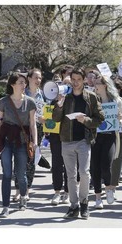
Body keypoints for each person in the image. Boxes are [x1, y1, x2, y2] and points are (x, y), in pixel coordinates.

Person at [52, 68, 104, 219]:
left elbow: (100, 119)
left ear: (84, 81)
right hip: (66, 141)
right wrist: (59, 105)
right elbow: (55, 119)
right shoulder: (65, 97)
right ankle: (73, 205)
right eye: (73, 80)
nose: (75, 83)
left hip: (83, 140)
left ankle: (84, 203)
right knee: (70, 175)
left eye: (78, 80)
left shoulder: (91, 97)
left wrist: (86, 120)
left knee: (84, 173)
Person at [0, 72, 37, 218]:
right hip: (6, 141)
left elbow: (33, 124)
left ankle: (23, 196)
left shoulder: (30, 102)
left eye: (24, 83)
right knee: (7, 174)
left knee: (20, 175)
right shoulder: (3, 102)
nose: (24, 85)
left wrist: (34, 141)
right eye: (21, 82)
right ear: (12, 84)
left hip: (22, 141)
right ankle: (5, 206)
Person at [12, 68, 45, 201]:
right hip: (21, 127)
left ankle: (27, 189)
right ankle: (18, 189)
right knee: (19, 158)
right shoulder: (21, 92)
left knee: (31, 158)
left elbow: (45, 112)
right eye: (36, 77)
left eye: (40, 78)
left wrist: (44, 119)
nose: (38, 80)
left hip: (37, 128)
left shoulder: (43, 95)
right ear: (29, 79)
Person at [91, 74, 122, 209]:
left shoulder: (116, 101)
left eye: (97, 83)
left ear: (105, 85)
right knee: (95, 167)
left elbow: (121, 118)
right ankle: (98, 197)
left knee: (106, 164)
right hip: (95, 136)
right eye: (94, 83)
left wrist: (119, 119)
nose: (95, 85)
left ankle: (109, 188)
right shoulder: (92, 99)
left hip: (110, 135)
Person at [49, 73, 70, 205]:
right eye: (64, 84)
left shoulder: (75, 100)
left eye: (69, 84)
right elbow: (51, 118)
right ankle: (57, 191)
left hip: (70, 137)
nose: (66, 87)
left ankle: (67, 193)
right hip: (56, 137)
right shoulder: (54, 101)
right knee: (56, 165)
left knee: (69, 166)